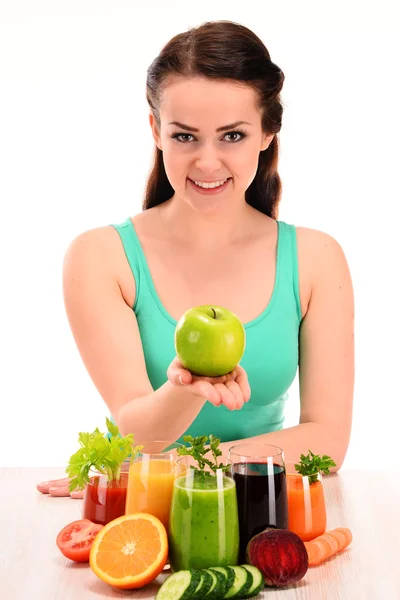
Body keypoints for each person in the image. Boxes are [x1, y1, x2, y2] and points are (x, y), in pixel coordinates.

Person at [62, 20, 354, 473]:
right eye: (184, 136)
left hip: (266, 512)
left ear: (268, 133)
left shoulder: (316, 260)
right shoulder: (101, 257)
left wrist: (187, 466)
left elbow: (327, 442)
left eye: (232, 135)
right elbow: (137, 431)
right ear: (156, 131)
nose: (207, 161)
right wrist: (187, 387)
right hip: (152, 514)